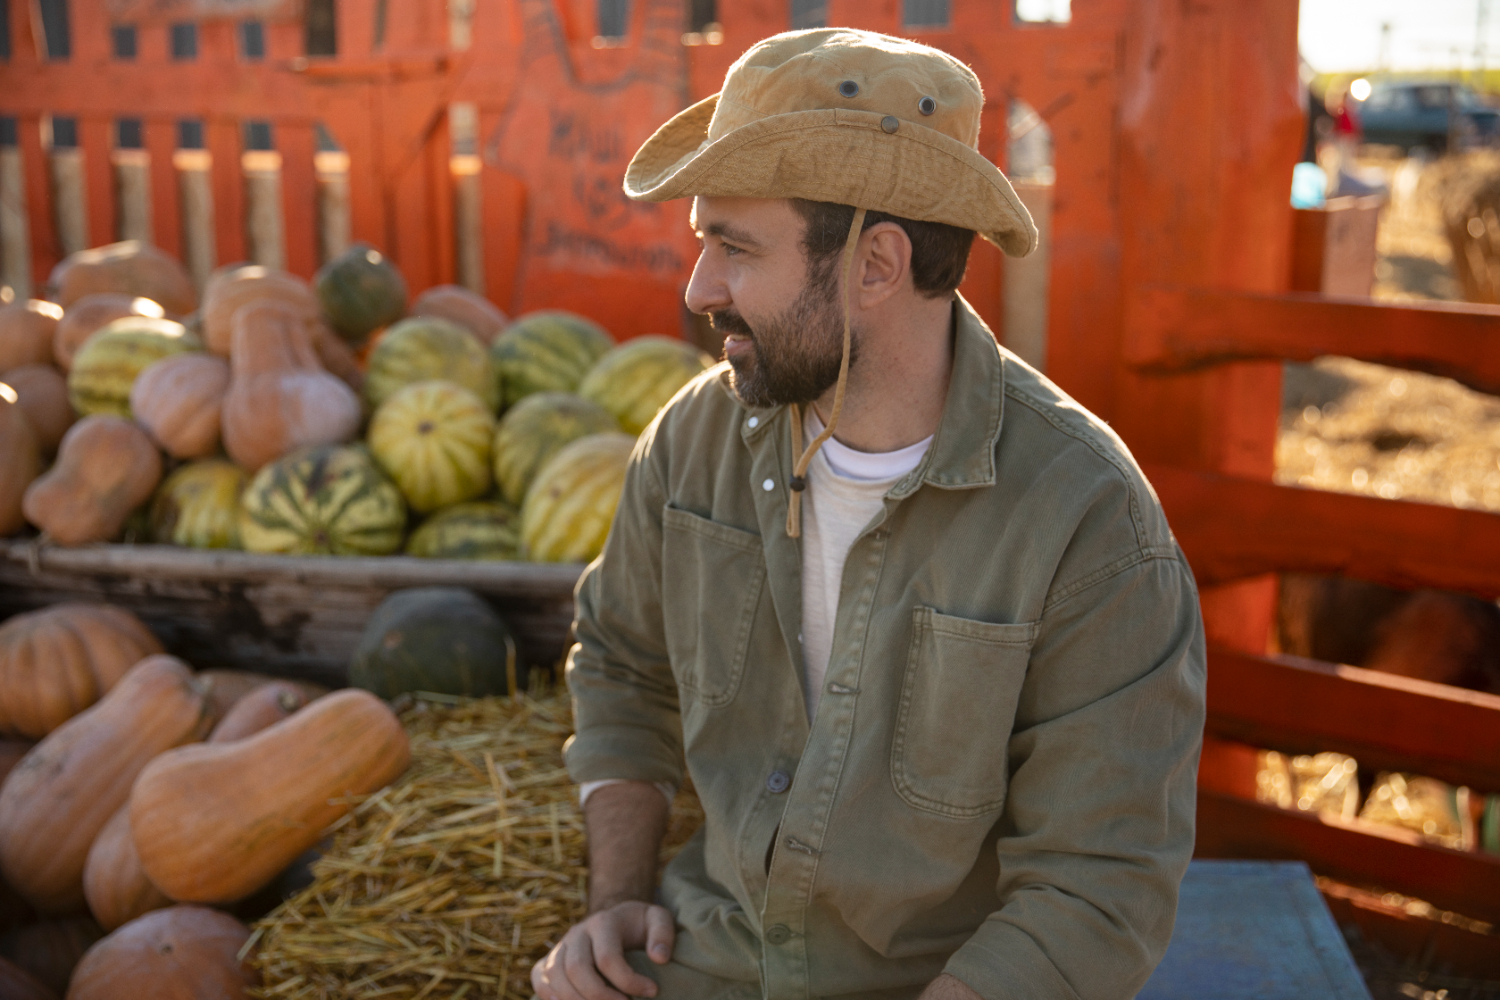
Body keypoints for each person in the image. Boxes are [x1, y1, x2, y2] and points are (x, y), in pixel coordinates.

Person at [533, 28, 1206, 1000]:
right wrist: (614, 899)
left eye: (736, 248)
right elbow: (621, 666)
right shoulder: (694, 441)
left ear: (877, 265)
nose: (698, 289)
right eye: (703, 244)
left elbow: (1098, 881)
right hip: (702, 964)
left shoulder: (1088, 519)